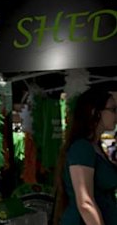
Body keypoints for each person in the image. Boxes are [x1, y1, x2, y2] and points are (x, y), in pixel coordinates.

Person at [53, 88, 117, 225]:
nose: (116, 114)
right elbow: (85, 203)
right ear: (95, 112)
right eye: (113, 109)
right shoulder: (82, 147)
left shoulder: (95, 147)